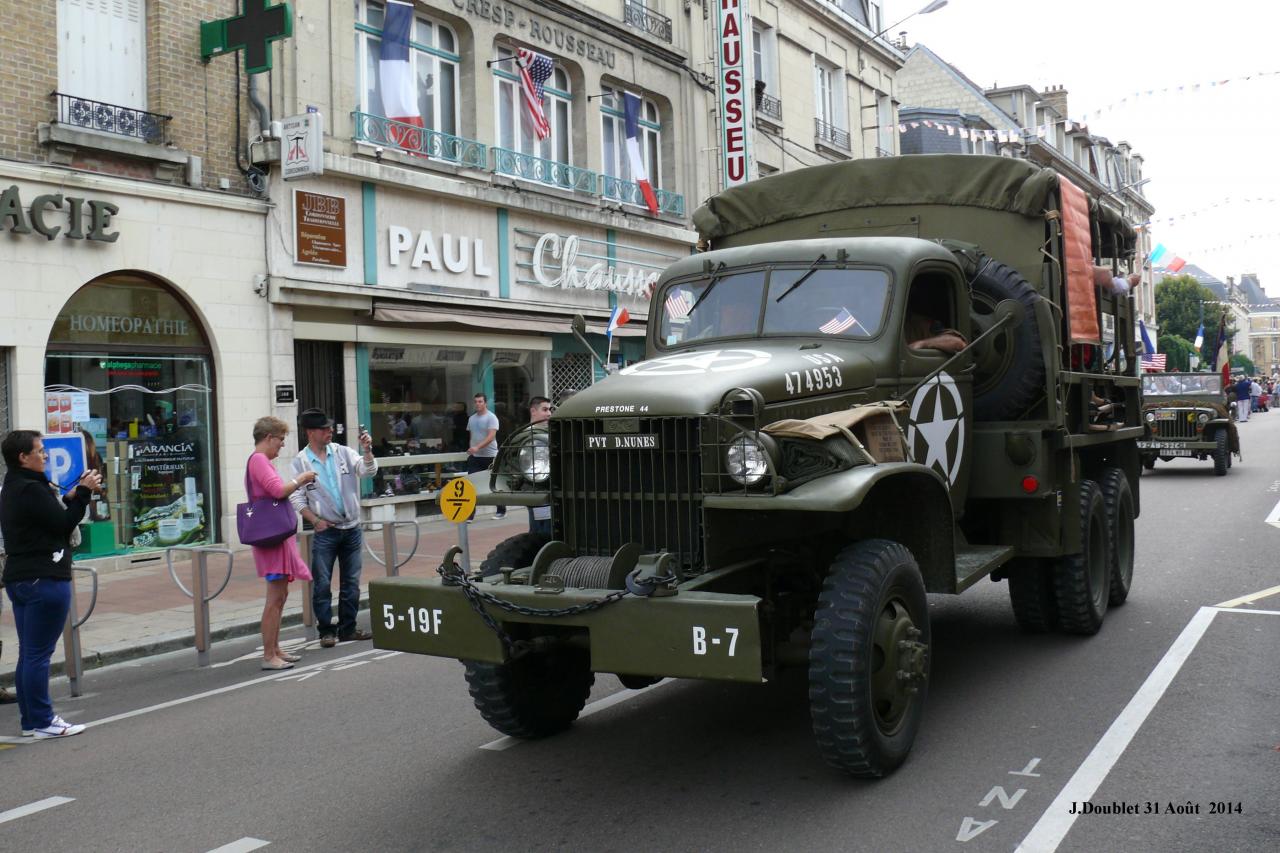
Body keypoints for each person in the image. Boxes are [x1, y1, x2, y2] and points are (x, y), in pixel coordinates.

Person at [0, 429, 101, 737]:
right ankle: (43, 720)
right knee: (37, 655)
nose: (45, 455)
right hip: (44, 576)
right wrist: (83, 494)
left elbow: (43, 519)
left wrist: (69, 497)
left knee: (28, 652)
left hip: (21, 577)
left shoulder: (14, 486)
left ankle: (31, 721)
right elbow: (61, 524)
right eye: (40, 450)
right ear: (23, 457)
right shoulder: (31, 488)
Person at [289, 409, 378, 648]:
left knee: (351, 582)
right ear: (310, 432)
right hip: (325, 531)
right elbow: (297, 498)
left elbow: (367, 471)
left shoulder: (343, 452)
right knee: (322, 583)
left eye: (330, 428)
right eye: (324, 429)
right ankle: (326, 631)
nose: (330, 431)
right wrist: (315, 520)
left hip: (352, 528)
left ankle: (348, 628)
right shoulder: (301, 461)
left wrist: (367, 451)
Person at [246, 416, 316, 670]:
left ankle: (275, 648)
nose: (282, 446)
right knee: (275, 597)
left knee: (281, 595)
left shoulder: (261, 461)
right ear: (268, 438)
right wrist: (302, 479)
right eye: (280, 440)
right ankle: (268, 656)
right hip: (271, 540)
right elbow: (277, 491)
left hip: (276, 538)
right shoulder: (259, 461)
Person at [467, 393, 505, 519]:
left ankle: (501, 510)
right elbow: (472, 436)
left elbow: (491, 436)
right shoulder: (471, 419)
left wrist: (477, 447)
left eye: (480, 401)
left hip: (490, 456)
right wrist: (472, 448)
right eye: (476, 401)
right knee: (471, 485)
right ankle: (470, 514)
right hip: (475, 457)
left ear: (485, 403)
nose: (478, 404)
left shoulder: (491, 417)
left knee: (493, 484)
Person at [526, 396, 553, 537]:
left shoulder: (548, 432)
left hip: (549, 490)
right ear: (533, 411)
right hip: (536, 490)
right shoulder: (526, 436)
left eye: (550, 410)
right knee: (540, 533)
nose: (549, 413)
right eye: (545, 410)